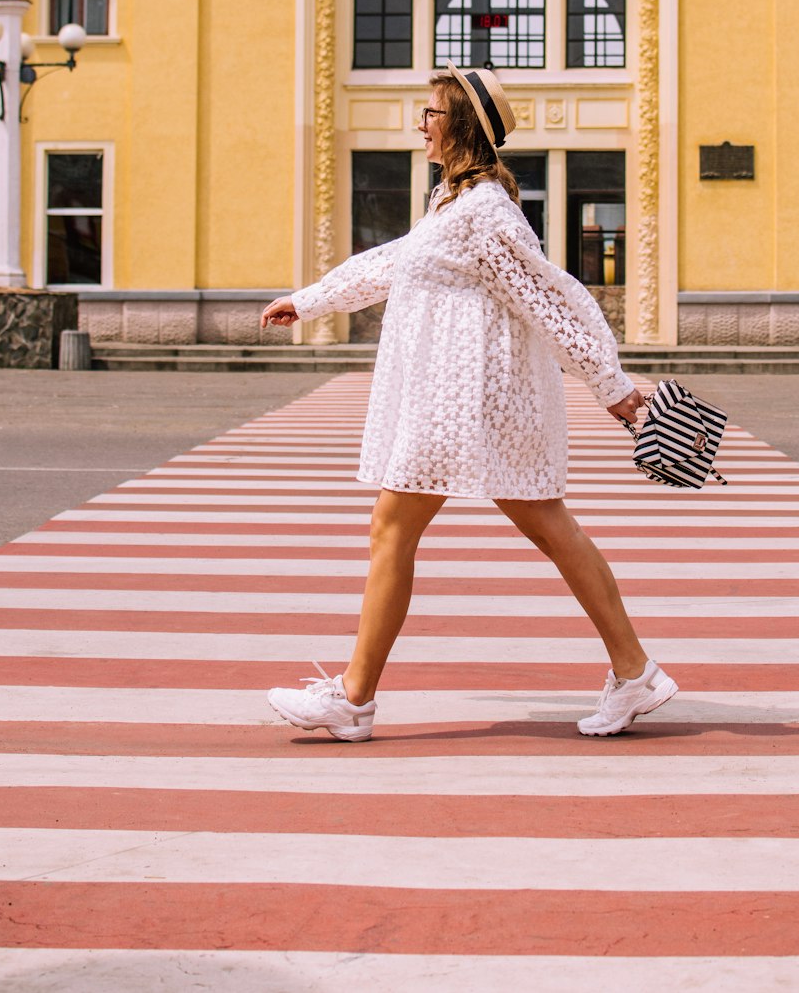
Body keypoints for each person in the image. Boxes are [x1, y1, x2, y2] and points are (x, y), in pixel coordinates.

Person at [261, 62, 678, 741]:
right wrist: (309, 301)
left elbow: (549, 298)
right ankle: (635, 672)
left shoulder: (485, 212)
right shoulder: (452, 206)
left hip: (464, 402)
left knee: (392, 528)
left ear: (461, 127)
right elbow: (388, 263)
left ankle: (355, 699)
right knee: (550, 528)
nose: (419, 124)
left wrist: (614, 386)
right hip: (471, 401)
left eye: (430, 113)